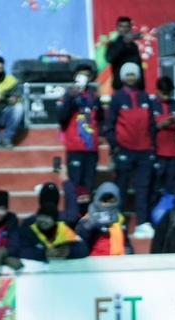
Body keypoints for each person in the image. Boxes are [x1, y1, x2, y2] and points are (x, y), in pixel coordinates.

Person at [104, 62, 156, 228]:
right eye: (128, 75)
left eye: (133, 74)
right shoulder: (117, 97)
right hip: (124, 150)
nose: (131, 78)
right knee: (122, 188)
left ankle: (142, 223)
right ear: (123, 77)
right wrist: (115, 146)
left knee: (143, 188)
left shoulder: (145, 97)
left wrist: (152, 145)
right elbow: (109, 126)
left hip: (144, 152)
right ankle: (118, 223)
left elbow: (152, 124)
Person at [57, 67, 104, 218]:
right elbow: (61, 117)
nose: (83, 78)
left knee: (89, 185)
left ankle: (86, 219)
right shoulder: (69, 95)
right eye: (80, 75)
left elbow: (101, 118)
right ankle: (72, 217)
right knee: (74, 185)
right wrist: (70, 98)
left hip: (91, 148)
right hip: (75, 146)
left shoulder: (95, 96)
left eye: (86, 75)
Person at [15, 184, 87, 262]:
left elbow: (82, 249)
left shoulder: (65, 222)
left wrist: (68, 251)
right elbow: (20, 250)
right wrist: (44, 253)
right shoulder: (30, 223)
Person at [151, 77, 175, 199]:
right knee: (155, 187)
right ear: (157, 90)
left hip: (172, 153)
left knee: (172, 187)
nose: (167, 96)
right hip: (156, 152)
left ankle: (171, 213)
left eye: (169, 93)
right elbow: (145, 130)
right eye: (164, 93)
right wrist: (160, 125)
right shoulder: (151, 104)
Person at [76, 182, 134, 256]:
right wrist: (89, 227)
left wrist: (128, 253)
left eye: (112, 201)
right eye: (104, 201)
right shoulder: (87, 221)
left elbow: (126, 243)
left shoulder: (120, 219)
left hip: (118, 262)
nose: (107, 204)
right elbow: (81, 247)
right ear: (97, 199)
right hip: (94, 264)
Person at [106, 16, 143, 91]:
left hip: (136, 88)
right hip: (120, 87)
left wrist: (142, 87)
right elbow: (109, 58)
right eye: (121, 26)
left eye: (127, 26)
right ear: (117, 28)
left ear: (130, 28)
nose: (124, 29)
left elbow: (139, 66)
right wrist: (123, 42)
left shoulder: (134, 46)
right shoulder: (113, 44)